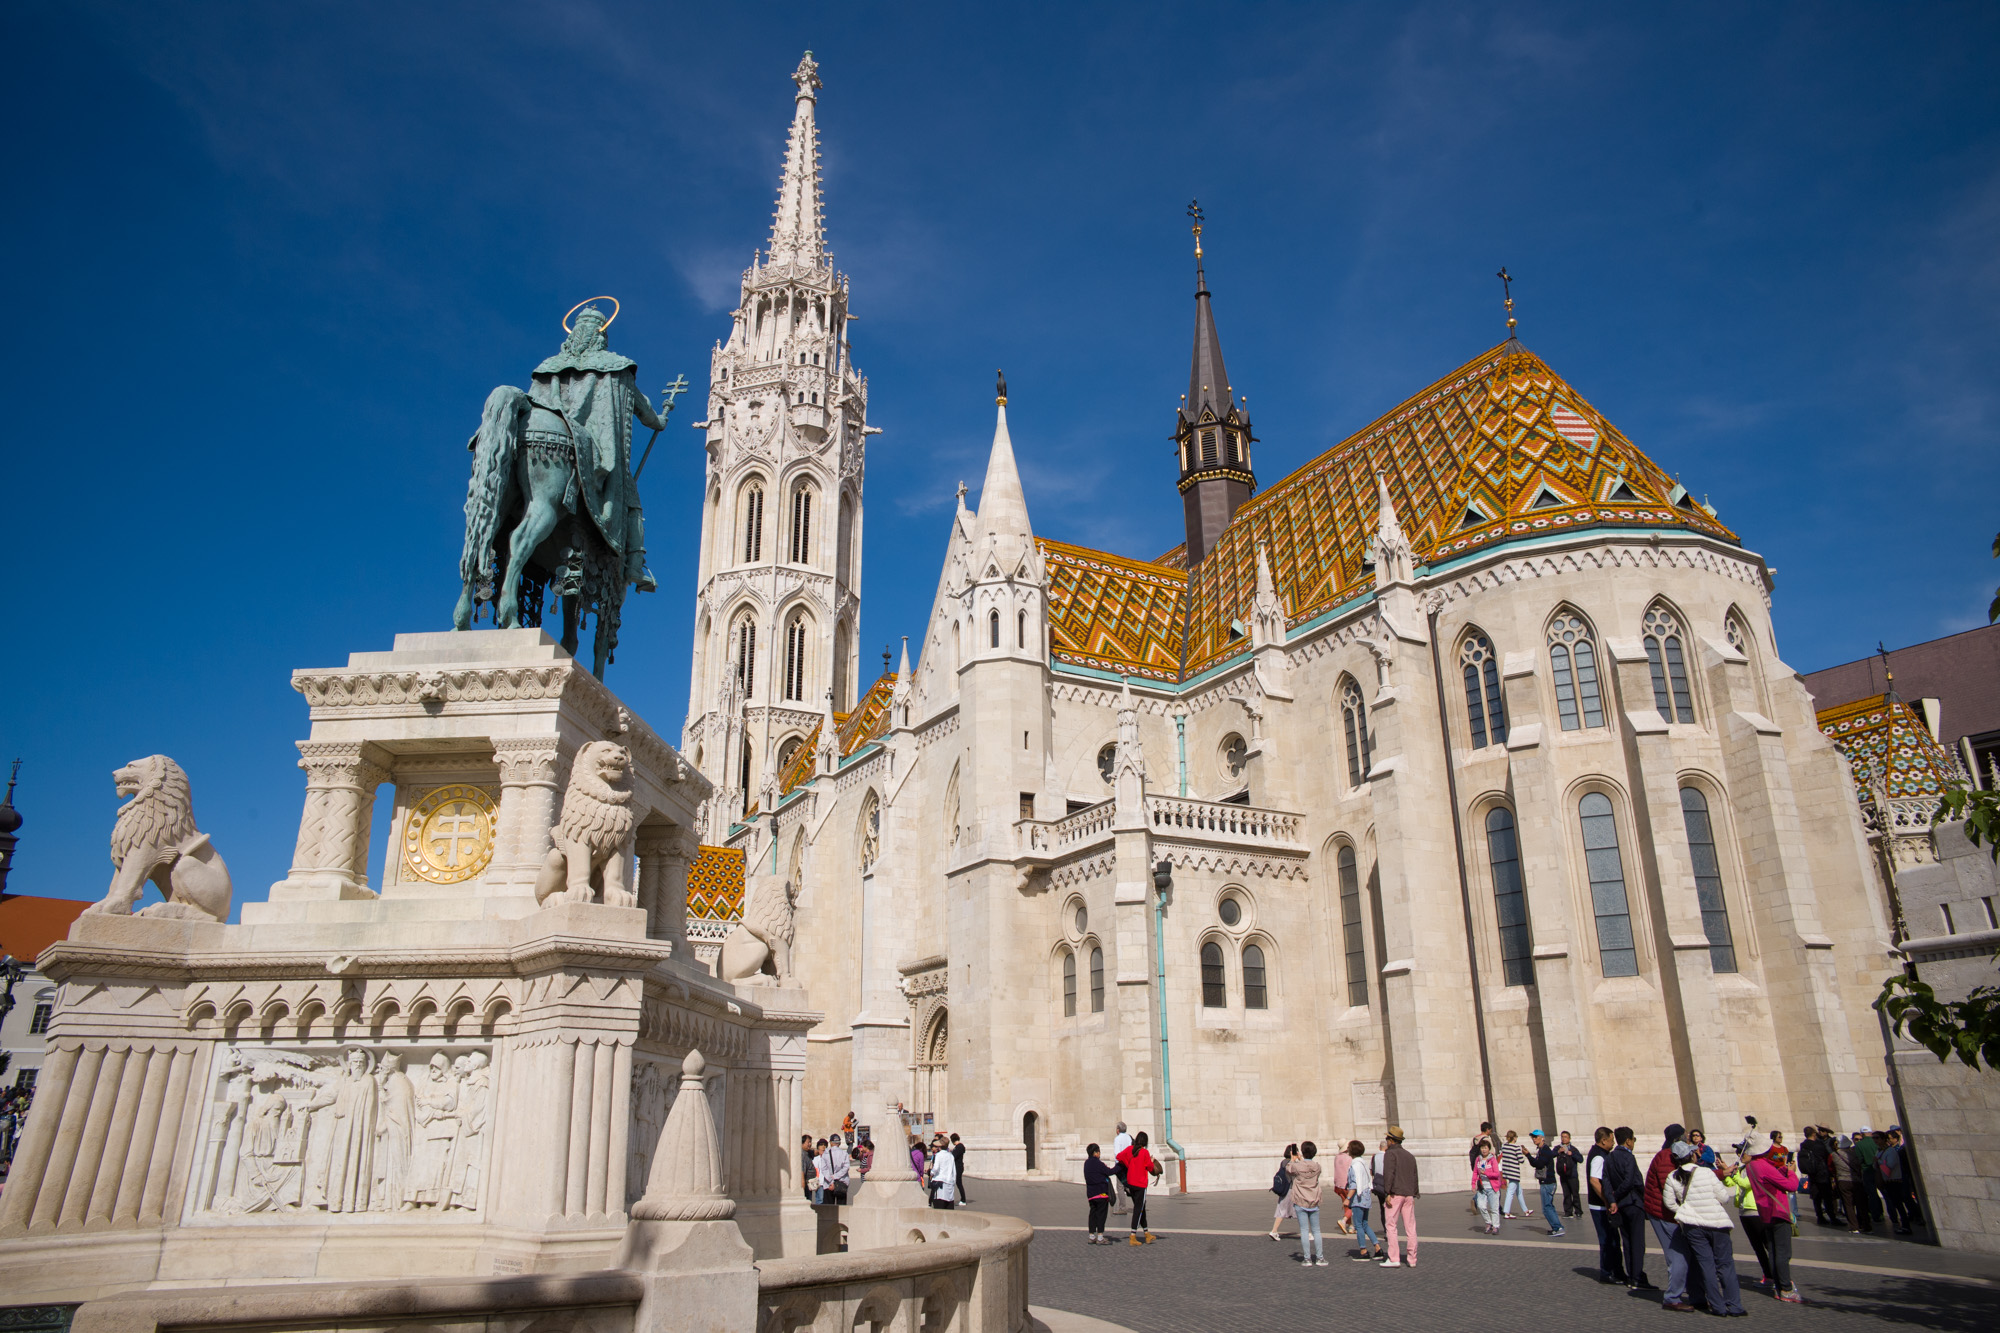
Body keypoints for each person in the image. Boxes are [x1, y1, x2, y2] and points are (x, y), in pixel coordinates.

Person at [1663, 1139, 1746, 1316]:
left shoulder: (1672, 1176)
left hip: (1693, 1226)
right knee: (1725, 1265)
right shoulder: (1706, 1172)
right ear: (1691, 1155)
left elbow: (1669, 1203)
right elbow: (1724, 1198)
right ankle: (1735, 1306)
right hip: (1717, 1223)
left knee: (1706, 1265)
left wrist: (1685, 1211)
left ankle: (1717, 1307)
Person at [1643, 1123, 1703, 1311]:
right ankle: (1672, 1298)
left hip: (1673, 1214)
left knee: (1689, 1254)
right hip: (1663, 1214)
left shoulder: (1673, 1156)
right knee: (1678, 1256)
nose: (1688, 1138)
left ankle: (1697, 1296)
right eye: (1685, 1136)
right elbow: (1673, 1187)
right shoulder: (1665, 1158)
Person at [1744, 1132, 1803, 1303]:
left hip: (1766, 1213)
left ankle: (1778, 1286)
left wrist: (1784, 1170)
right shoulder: (1764, 1165)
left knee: (1774, 1251)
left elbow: (1770, 1178)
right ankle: (1786, 1288)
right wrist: (1791, 1172)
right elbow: (1791, 1186)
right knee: (1783, 1252)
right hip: (1778, 1211)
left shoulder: (1752, 1166)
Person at [1603, 1126, 1651, 1291]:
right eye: (1634, 1140)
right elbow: (1631, 1181)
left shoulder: (1609, 1157)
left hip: (1619, 1206)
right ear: (1628, 1141)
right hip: (1632, 1202)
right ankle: (1637, 1277)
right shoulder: (1629, 1157)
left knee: (1627, 1241)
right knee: (1638, 1242)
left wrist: (1612, 1199)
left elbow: (1606, 1181)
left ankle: (1631, 1276)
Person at [1722, 1148, 1772, 1289]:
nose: (1740, 1155)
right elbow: (1729, 1184)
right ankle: (1768, 1276)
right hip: (1744, 1211)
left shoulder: (1755, 1169)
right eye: (1739, 1153)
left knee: (1767, 1244)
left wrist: (1735, 1175)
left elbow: (1746, 1184)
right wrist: (1726, 1172)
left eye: (1743, 1152)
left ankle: (1779, 1275)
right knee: (1757, 1247)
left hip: (1756, 1210)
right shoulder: (1742, 1168)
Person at [1377, 1126, 1420, 1268]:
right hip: (1409, 1194)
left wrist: (1387, 1192)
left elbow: (1389, 1174)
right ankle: (1412, 1259)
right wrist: (1414, 1192)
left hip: (1395, 1193)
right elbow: (1414, 1176)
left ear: (1391, 1140)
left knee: (1391, 1225)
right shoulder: (1409, 1155)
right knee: (1410, 1227)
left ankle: (1394, 1257)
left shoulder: (1390, 1154)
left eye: (1387, 1138)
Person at [1587, 1126, 1625, 1284]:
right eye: (1611, 1140)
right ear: (1603, 1140)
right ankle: (1606, 1272)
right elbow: (1594, 1181)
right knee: (1607, 1239)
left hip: (1602, 1205)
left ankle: (1617, 1271)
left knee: (1613, 1239)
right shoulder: (1599, 1156)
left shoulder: (1600, 1153)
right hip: (1600, 1207)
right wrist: (1608, 1200)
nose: (1613, 1143)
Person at [1117, 1130, 1163, 1244]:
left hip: (1131, 1183)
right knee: (1138, 1209)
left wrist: (1129, 1164)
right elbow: (1150, 1168)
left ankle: (1147, 1233)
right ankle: (1133, 1235)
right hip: (1140, 1184)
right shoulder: (1144, 1152)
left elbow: (1118, 1156)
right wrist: (1152, 1161)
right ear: (1145, 1142)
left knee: (1141, 1207)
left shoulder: (1129, 1150)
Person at [1288, 1140, 1328, 1266]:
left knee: (1304, 1230)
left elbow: (1289, 1169)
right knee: (1316, 1230)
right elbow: (1310, 1168)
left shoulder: (1297, 1166)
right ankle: (1320, 1257)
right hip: (1314, 1200)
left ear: (1302, 1152)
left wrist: (1294, 1159)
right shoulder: (1317, 1167)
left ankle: (1307, 1258)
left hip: (1301, 1200)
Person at [1345, 1140, 1382, 1261]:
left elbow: (1354, 1184)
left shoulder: (1354, 1165)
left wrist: (1347, 1198)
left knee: (1359, 1225)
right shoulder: (1363, 1163)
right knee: (1365, 1224)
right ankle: (1377, 1248)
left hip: (1358, 1198)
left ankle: (1363, 1250)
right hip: (1366, 1196)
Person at [1525, 1130, 1565, 1236]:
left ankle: (1558, 1227)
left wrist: (1528, 1155)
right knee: (1549, 1206)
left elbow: (1538, 1164)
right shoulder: (1542, 1150)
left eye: (1535, 1137)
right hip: (1546, 1182)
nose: (1534, 1139)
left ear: (1542, 1138)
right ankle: (1556, 1227)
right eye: (1532, 1137)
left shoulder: (1545, 1150)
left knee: (1547, 1207)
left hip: (1547, 1182)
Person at [1084, 1143, 1116, 1243]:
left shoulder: (1087, 1163)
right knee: (1101, 1215)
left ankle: (1092, 1236)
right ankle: (1100, 1237)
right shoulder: (1098, 1163)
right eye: (1099, 1152)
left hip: (1091, 1194)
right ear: (1095, 1153)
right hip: (1101, 1193)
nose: (1099, 1154)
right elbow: (1109, 1172)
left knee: (1092, 1214)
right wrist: (1120, 1166)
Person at [1267, 1144, 1299, 1241]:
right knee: (1299, 1211)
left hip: (1284, 1190)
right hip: (1291, 1190)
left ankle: (1274, 1230)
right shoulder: (1292, 1163)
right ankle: (1307, 1232)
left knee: (1281, 1211)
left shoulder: (1283, 1162)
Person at [1472, 1138, 1504, 1233]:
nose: (1484, 1150)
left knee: (1494, 1208)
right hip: (1482, 1188)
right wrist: (1473, 1184)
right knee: (1481, 1206)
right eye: (1482, 1148)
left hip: (1492, 1187)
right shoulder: (1478, 1159)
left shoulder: (1492, 1160)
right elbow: (1475, 1172)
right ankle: (1488, 1222)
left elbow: (1496, 1174)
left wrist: (1486, 1173)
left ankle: (1495, 1226)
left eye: (1485, 1148)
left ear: (1489, 1149)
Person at [1499, 1129, 1527, 1219]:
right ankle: (1506, 1212)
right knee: (1510, 1192)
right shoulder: (1516, 1147)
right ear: (1514, 1138)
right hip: (1514, 1172)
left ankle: (1526, 1210)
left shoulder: (1504, 1146)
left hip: (1507, 1171)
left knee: (1519, 1191)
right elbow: (1521, 1160)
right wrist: (1524, 1153)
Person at [1556, 1130, 1584, 1218]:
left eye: (1565, 1137)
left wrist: (1572, 1154)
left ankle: (1578, 1211)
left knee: (1575, 1194)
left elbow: (1581, 1159)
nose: (1564, 1139)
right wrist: (1558, 1152)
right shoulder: (1558, 1148)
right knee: (1566, 1194)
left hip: (1572, 1175)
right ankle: (1568, 1212)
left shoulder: (1573, 1149)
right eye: (1562, 1137)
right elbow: (1551, 1154)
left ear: (1569, 1138)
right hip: (1563, 1175)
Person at [929, 1135, 958, 1210]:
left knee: (939, 1208)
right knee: (949, 1207)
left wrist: (931, 1173)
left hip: (940, 1183)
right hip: (949, 1183)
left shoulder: (938, 1155)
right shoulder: (951, 1156)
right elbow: (954, 1171)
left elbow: (936, 1168)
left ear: (940, 1146)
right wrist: (953, 1182)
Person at [1110, 1121, 1134, 1216]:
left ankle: (1122, 1207)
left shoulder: (1117, 1139)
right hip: (1128, 1164)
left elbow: (1117, 1153)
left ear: (1118, 1130)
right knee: (1128, 1185)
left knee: (1120, 1186)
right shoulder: (1128, 1137)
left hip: (1120, 1164)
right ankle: (1138, 1203)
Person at [826, 1132, 851, 1204]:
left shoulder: (826, 1154)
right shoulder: (844, 1153)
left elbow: (824, 1169)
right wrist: (836, 1176)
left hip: (829, 1183)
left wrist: (832, 1179)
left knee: (829, 1208)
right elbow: (846, 1168)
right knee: (841, 1208)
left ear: (830, 1143)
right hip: (842, 1183)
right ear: (839, 1143)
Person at [950, 1133, 970, 1206]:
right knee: (958, 1183)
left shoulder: (958, 1147)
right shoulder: (959, 1146)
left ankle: (963, 1199)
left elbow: (953, 1156)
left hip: (958, 1167)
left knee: (958, 1183)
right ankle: (962, 1199)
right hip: (959, 1166)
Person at [810, 1138, 831, 1206]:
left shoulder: (829, 1158)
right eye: (821, 1145)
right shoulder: (815, 1159)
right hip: (820, 1183)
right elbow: (815, 1171)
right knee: (820, 1200)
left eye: (825, 1145)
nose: (823, 1146)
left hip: (827, 1183)